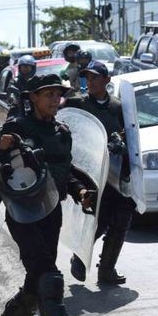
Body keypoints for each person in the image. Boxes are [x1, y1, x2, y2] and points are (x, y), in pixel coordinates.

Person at [0, 74, 91, 316]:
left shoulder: (62, 133)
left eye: (58, 95)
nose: (55, 100)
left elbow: (64, 171)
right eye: (48, 94)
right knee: (49, 277)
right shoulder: (17, 126)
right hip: (22, 212)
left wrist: (79, 190)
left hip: (51, 212)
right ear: (33, 97)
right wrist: (2, 146)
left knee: (38, 281)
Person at [63, 61, 135, 285]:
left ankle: (107, 269)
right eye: (88, 77)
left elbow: (130, 135)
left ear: (107, 80)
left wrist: (120, 142)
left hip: (114, 172)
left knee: (122, 218)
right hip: (89, 173)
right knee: (100, 220)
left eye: (95, 77)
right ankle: (80, 255)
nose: (91, 81)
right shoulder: (78, 103)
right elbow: (67, 128)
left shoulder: (118, 106)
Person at [6, 54, 37, 119]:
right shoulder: (15, 80)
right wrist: (12, 96)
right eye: (23, 67)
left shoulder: (37, 80)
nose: (25, 69)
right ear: (20, 68)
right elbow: (10, 89)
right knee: (11, 121)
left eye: (27, 67)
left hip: (36, 106)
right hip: (19, 106)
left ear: (33, 68)